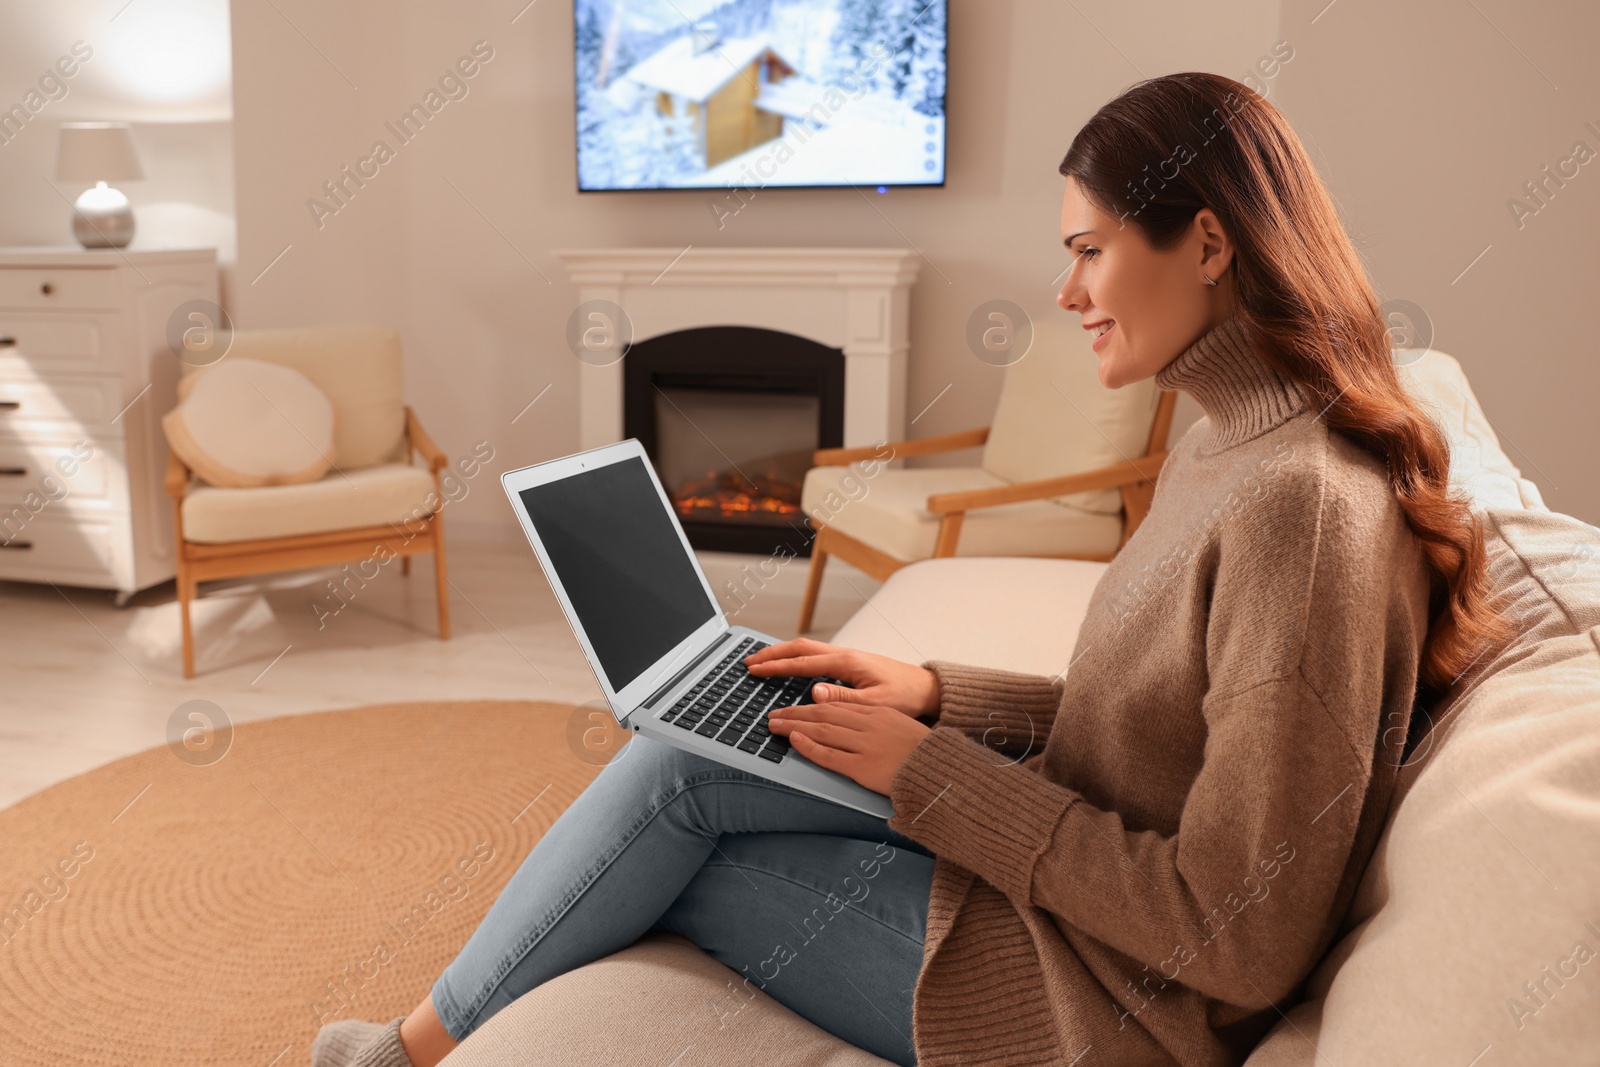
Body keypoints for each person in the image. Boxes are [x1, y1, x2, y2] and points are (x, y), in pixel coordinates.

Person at [312, 71, 1510, 1067]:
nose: (1065, 291)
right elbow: (1158, 724)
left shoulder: (1295, 508)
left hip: (1104, 1002)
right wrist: (935, 697)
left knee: (678, 813)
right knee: (695, 751)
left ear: (1206, 241)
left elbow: (1236, 930)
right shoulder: (1234, 442)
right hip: (1069, 897)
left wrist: (934, 771)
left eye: (1089, 249)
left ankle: (396, 1058)